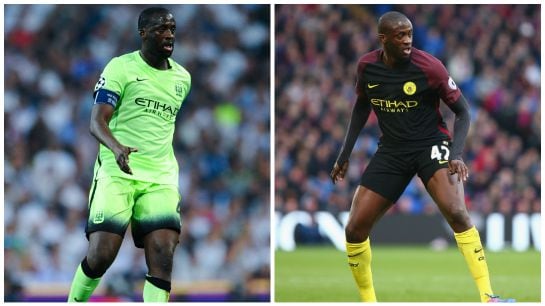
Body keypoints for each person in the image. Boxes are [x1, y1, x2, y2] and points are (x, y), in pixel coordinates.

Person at [330, 11, 514, 303]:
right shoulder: (367, 67)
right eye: (400, 35)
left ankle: (488, 296)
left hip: (431, 145)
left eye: (410, 34)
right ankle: (368, 301)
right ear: (384, 38)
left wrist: (456, 154)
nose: (407, 40)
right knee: (354, 229)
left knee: (456, 212)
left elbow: (464, 112)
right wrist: (345, 153)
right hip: (391, 150)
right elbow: (361, 107)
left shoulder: (430, 67)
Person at [67, 7, 191, 302]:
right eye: (161, 29)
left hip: (160, 176)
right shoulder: (120, 68)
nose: (169, 34)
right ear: (143, 33)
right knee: (101, 255)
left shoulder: (182, 79)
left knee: (163, 253)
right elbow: (97, 121)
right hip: (117, 171)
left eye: (172, 28)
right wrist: (116, 147)